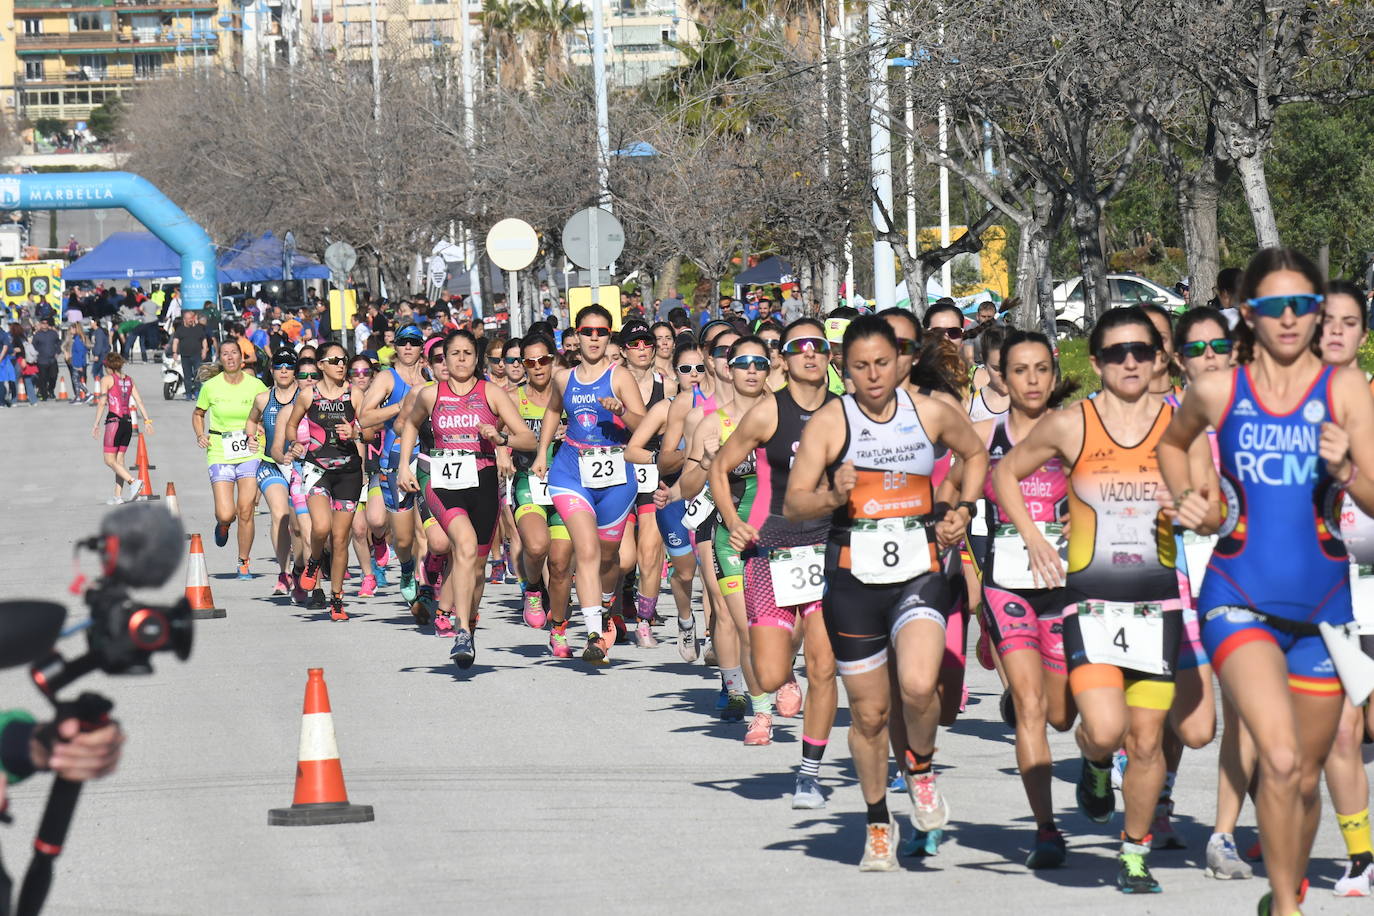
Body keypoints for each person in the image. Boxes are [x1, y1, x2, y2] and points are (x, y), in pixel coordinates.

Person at [1160, 249, 1374, 915]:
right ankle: (1287, 907)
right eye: (1274, 306)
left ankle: (1287, 886)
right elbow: (1174, 444)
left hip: (1323, 606)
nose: (1290, 318)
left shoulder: (1344, 389)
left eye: (1304, 306)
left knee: (1305, 779)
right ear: (1247, 312)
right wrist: (1189, 500)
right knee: (1278, 760)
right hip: (1238, 594)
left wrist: (1345, 474)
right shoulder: (1221, 389)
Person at [995, 306, 1220, 894]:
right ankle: (1095, 764)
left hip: (1159, 605)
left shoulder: (1182, 426)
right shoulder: (1073, 424)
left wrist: (1200, 512)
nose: (1130, 361)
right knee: (1103, 726)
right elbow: (1004, 475)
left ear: (1159, 359)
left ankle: (1134, 854)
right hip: (1091, 603)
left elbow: (1213, 505)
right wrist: (1035, 536)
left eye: (1141, 351)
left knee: (1148, 740)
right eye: (1117, 352)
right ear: (1095, 362)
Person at [784, 315, 989, 871]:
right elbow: (794, 503)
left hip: (919, 568)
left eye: (882, 363)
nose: (873, 376)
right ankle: (878, 822)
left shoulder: (930, 411)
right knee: (871, 716)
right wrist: (832, 493)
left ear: (900, 362)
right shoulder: (832, 421)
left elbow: (975, 454)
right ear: (842, 370)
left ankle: (919, 768)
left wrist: (961, 510)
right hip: (853, 578)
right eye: (859, 367)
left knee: (921, 686)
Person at [711, 317, 840, 805]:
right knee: (767, 674)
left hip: (829, 553)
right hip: (772, 554)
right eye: (798, 347)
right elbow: (721, 468)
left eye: (819, 346)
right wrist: (732, 519)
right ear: (782, 359)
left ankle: (809, 771)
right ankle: (781, 678)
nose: (810, 353)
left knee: (824, 668)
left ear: (829, 356)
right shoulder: (768, 413)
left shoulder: (847, 412)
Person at [960, 330, 1076, 868]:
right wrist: (949, 514)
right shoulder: (984, 434)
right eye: (1019, 370)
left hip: (1067, 585)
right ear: (1001, 377)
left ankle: (1097, 762)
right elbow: (948, 487)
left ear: (1054, 374)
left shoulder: (1080, 430)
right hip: (1007, 581)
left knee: (1062, 713)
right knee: (1029, 706)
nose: (1031, 380)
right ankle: (1047, 829)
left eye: (1041, 369)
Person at [397, 330, 534, 667]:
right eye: (453, 353)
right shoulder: (431, 395)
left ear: (477, 358)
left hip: (484, 481)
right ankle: (460, 630)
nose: (460, 359)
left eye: (467, 353)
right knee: (465, 545)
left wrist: (500, 437)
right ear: (443, 357)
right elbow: (410, 425)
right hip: (443, 481)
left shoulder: (491, 393)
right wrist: (404, 465)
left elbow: (528, 438)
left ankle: (468, 623)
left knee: (476, 567)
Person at [530, 305, 647, 665]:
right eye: (587, 331)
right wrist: (542, 454)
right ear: (576, 336)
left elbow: (644, 422)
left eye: (601, 332)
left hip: (616, 474)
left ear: (608, 336)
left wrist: (621, 411)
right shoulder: (563, 378)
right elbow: (552, 411)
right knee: (587, 550)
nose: (594, 337)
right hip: (571, 471)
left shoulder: (620, 375)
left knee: (611, 556)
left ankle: (608, 601)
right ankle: (594, 634)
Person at [687, 335, 775, 743]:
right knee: (749, 628)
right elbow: (688, 487)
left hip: (783, 535)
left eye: (760, 362)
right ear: (728, 368)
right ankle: (760, 712)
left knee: (786, 634)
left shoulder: (786, 415)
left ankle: (783, 677)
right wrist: (707, 463)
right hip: (731, 537)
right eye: (743, 363)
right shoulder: (712, 421)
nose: (752, 370)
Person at [1317, 280, 1374, 895]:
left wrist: (1346, 472)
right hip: (1320, 589)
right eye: (1323, 320)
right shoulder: (1282, 405)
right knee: (1339, 731)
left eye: (1348, 322)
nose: (1335, 331)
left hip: (1372, 578)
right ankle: (1361, 857)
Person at [273, 342, 364, 622]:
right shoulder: (307, 395)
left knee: (340, 540)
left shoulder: (355, 394)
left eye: (344, 359)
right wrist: (295, 444)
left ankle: (337, 598)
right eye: (334, 360)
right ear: (321, 365)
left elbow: (371, 431)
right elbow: (291, 424)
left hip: (349, 471)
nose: (341, 364)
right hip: (317, 469)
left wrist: (356, 432)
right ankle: (313, 561)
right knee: (321, 526)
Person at [509, 334, 575, 653]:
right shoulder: (512, 397)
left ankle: (559, 630)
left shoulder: (569, 395)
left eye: (543, 360)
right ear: (523, 365)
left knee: (561, 563)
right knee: (536, 546)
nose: (537, 367)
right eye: (530, 362)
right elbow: (501, 435)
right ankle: (533, 588)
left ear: (553, 360)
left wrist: (571, 433)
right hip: (528, 482)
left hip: (566, 483)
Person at [359, 323, 429, 604]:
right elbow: (364, 418)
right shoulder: (387, 378)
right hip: (394, 460)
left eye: (414, 342)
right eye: (403, 342)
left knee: (427, 530)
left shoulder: (430, 376)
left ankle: (426, 589)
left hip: (425, 459)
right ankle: (407, 566)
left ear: (421, 346)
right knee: (402, 539)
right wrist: (403, 405)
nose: (408, 347)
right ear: (395, 347)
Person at [191, 342, 268, 579]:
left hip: (250, 449)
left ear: (241, 358)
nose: (230, 357)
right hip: (220, 450)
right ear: (221, 359)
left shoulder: (256, 385)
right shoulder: (211, 387)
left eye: (234, 352)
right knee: (226, 513)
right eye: (225, 354)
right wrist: (200, 434)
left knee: (246, 509)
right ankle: (223, 525)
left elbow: (269, 411)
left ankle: (243, 561)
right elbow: (198, 414)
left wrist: (264, 428)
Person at [245, 350, 306, 597]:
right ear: (271, 370)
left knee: (299, 523)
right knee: (280, 515)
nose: (283, 370)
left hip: (300, 468)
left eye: (288, 366)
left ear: (295, 370)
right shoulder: (262, 398)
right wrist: (251, 437)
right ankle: (284, 571)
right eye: (278, 365)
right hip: (271, 465)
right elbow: (251, 421)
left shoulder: (306, 397)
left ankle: (303, 569)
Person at [89, 352, 151, 505]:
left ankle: (133, 481)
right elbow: (139, 401)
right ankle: (117, 496)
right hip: (127, 423)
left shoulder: (107, 379)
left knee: (109, 460)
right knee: (119, 461)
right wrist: (147, 420)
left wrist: (96, 423)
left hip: (114, 423)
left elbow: (102, 402)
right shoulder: (129, 380)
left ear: (109, 366)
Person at [171, 311, 209, 402]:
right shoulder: (180, 329)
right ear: (184, 319)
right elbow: (175, 341)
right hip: (185, 356)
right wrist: (174, 352)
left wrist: (204, 350)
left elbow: (204, 340)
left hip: (197, 355)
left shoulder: (198, 329)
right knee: (187, 376)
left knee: (197, 375)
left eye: (191, 318)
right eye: (189, 319)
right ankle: (188, 394)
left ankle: (197, 392)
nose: (190, 320)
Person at [31, 316, 60, 401]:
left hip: (52, 359)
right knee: (42, 378)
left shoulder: (53, 333)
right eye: (43, 323)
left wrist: (57, 352)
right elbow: (33, 346)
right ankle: (44, 395)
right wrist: (34, 356)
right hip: (41, 360)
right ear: (40, 324)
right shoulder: (37, 335)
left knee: (53, 376)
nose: (44, 325)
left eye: (46, 323)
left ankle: (50, 390)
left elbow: (58, 343)